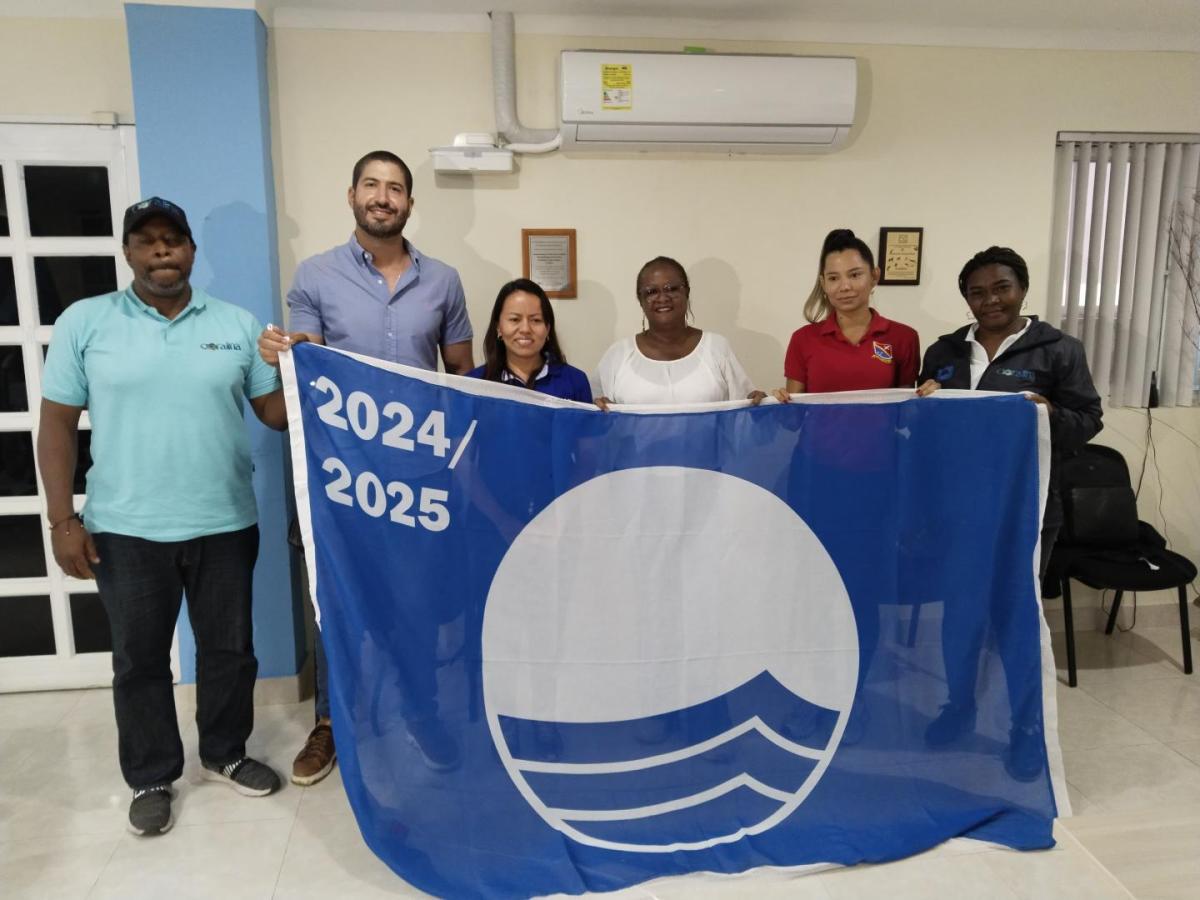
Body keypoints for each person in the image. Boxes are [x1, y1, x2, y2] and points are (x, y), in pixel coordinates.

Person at [37, 197, 289, 837]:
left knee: (229, 651)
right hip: (125, 529)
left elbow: (274, 415)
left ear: (190, 250)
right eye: (146, 240)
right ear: (127, 251)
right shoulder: (85, 322)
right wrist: (63, 521)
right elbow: (57, 424)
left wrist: (297, 365)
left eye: (172, 239)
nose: (161, 251)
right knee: (140, 660)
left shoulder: (236, 324)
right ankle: (151, 776)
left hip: (224, 522)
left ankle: (225, 753)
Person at [258, 150, 473, 785]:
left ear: (410, 203)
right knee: (337, 602)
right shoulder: (316, 276)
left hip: (420, 478)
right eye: (372, 185)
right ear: (351, 195)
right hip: (343, 477)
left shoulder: (444, 281)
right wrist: (286, 352)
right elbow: (308, 359)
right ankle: (330, 723)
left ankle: (420, 713)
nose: (384, 197)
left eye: (396, 188)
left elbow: (462, 374)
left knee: (417, 604)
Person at [916, 245, 1102, 779]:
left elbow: (1089, 419)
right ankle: (960, 707)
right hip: (959, 510)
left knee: (1016, 617)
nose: (990, 300)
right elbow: (926, 432)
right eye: (978, 292)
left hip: (1026, 508)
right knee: (960, 616)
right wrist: (922, 401)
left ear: (1021, 289)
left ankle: (1024, 727)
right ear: (967, 299)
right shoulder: (944, 351)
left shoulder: (1058, 350)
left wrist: (1050, 414)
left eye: (1001, 288)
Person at [596, 256, 764, 406]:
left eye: (671, 288)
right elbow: (592, 412)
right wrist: (599, 408)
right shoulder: (618, 355)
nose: (663, 298)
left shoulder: (717, 348)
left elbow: (745, 412)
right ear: (640, 300)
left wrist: (760, 405)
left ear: (687, 292)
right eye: (651, 292)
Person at [773, 228, 919, 400]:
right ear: (823, 283)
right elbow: (793, 412)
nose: (845, 287)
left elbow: (907, 408)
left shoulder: (904, 337)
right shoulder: (802, 339)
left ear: (874, 276)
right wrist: (778, 401)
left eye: (855, 275)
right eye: (833, 278)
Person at [468, 279, 592, 402]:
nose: (525, 329)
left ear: (548, 329)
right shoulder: (473, 384)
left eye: (536, 320)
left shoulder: (575, 381)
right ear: (499, 328)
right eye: (515, 319)